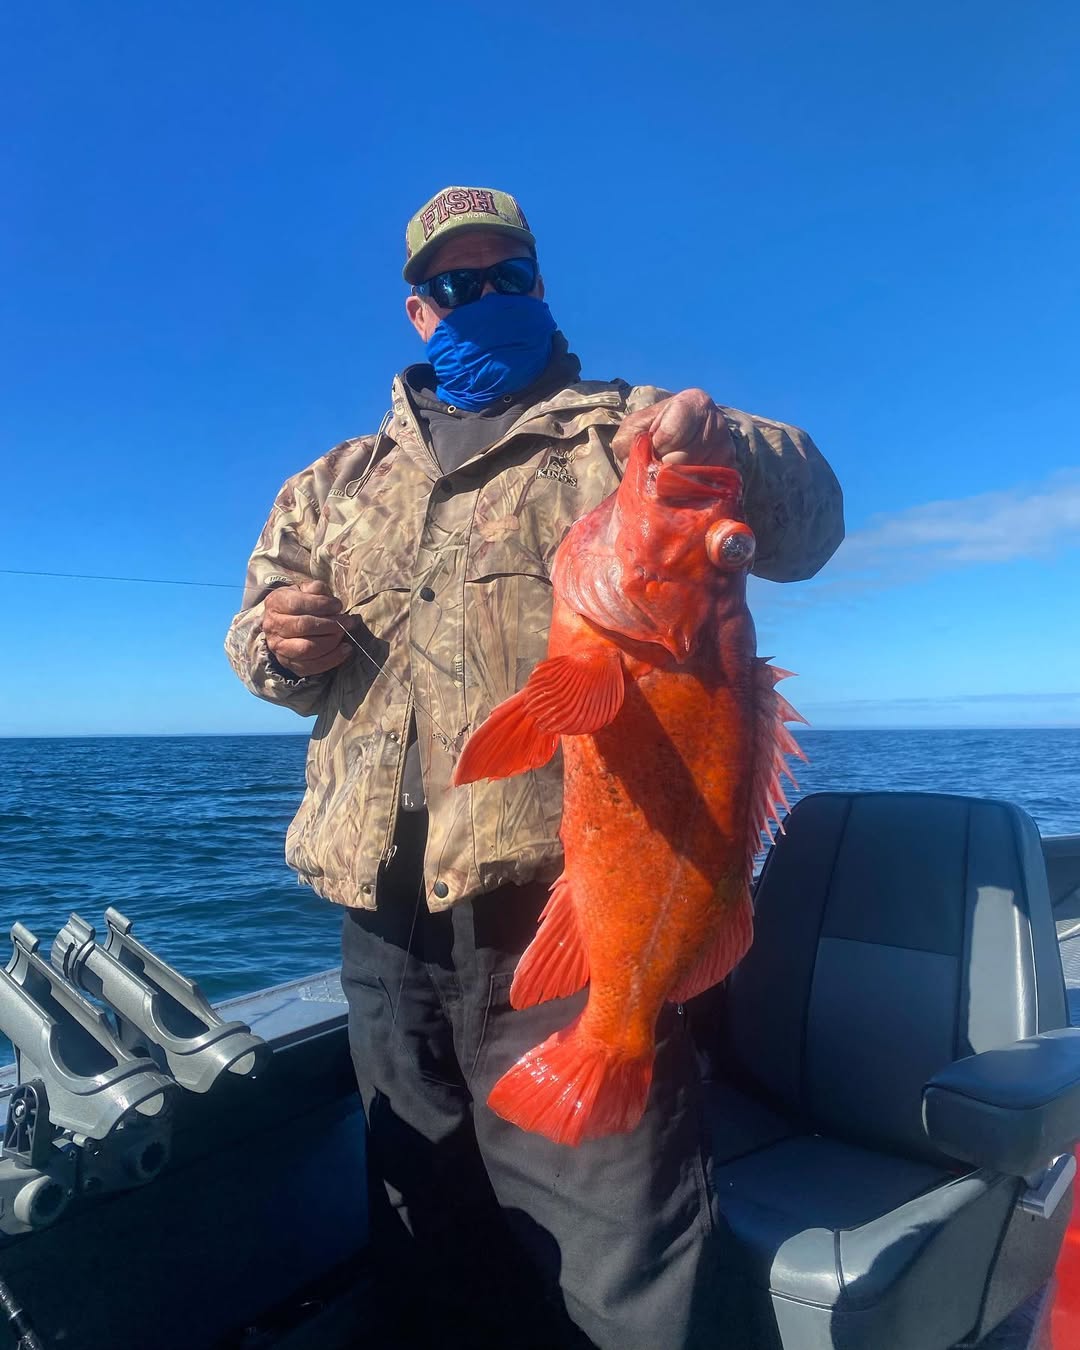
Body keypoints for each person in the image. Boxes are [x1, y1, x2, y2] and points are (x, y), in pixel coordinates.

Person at [225, 185, 844, 1349]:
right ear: (419, 310)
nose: (485, 297)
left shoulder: (628, 431)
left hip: (569, 922)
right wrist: (275, 642)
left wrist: (724, 446)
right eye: (456, 284)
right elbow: (258, 646)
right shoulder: (334, 484)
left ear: (541, 286)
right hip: (386, 933)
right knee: (430, 1245)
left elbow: (810, 521)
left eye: (507, 276)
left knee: (621, 1268)